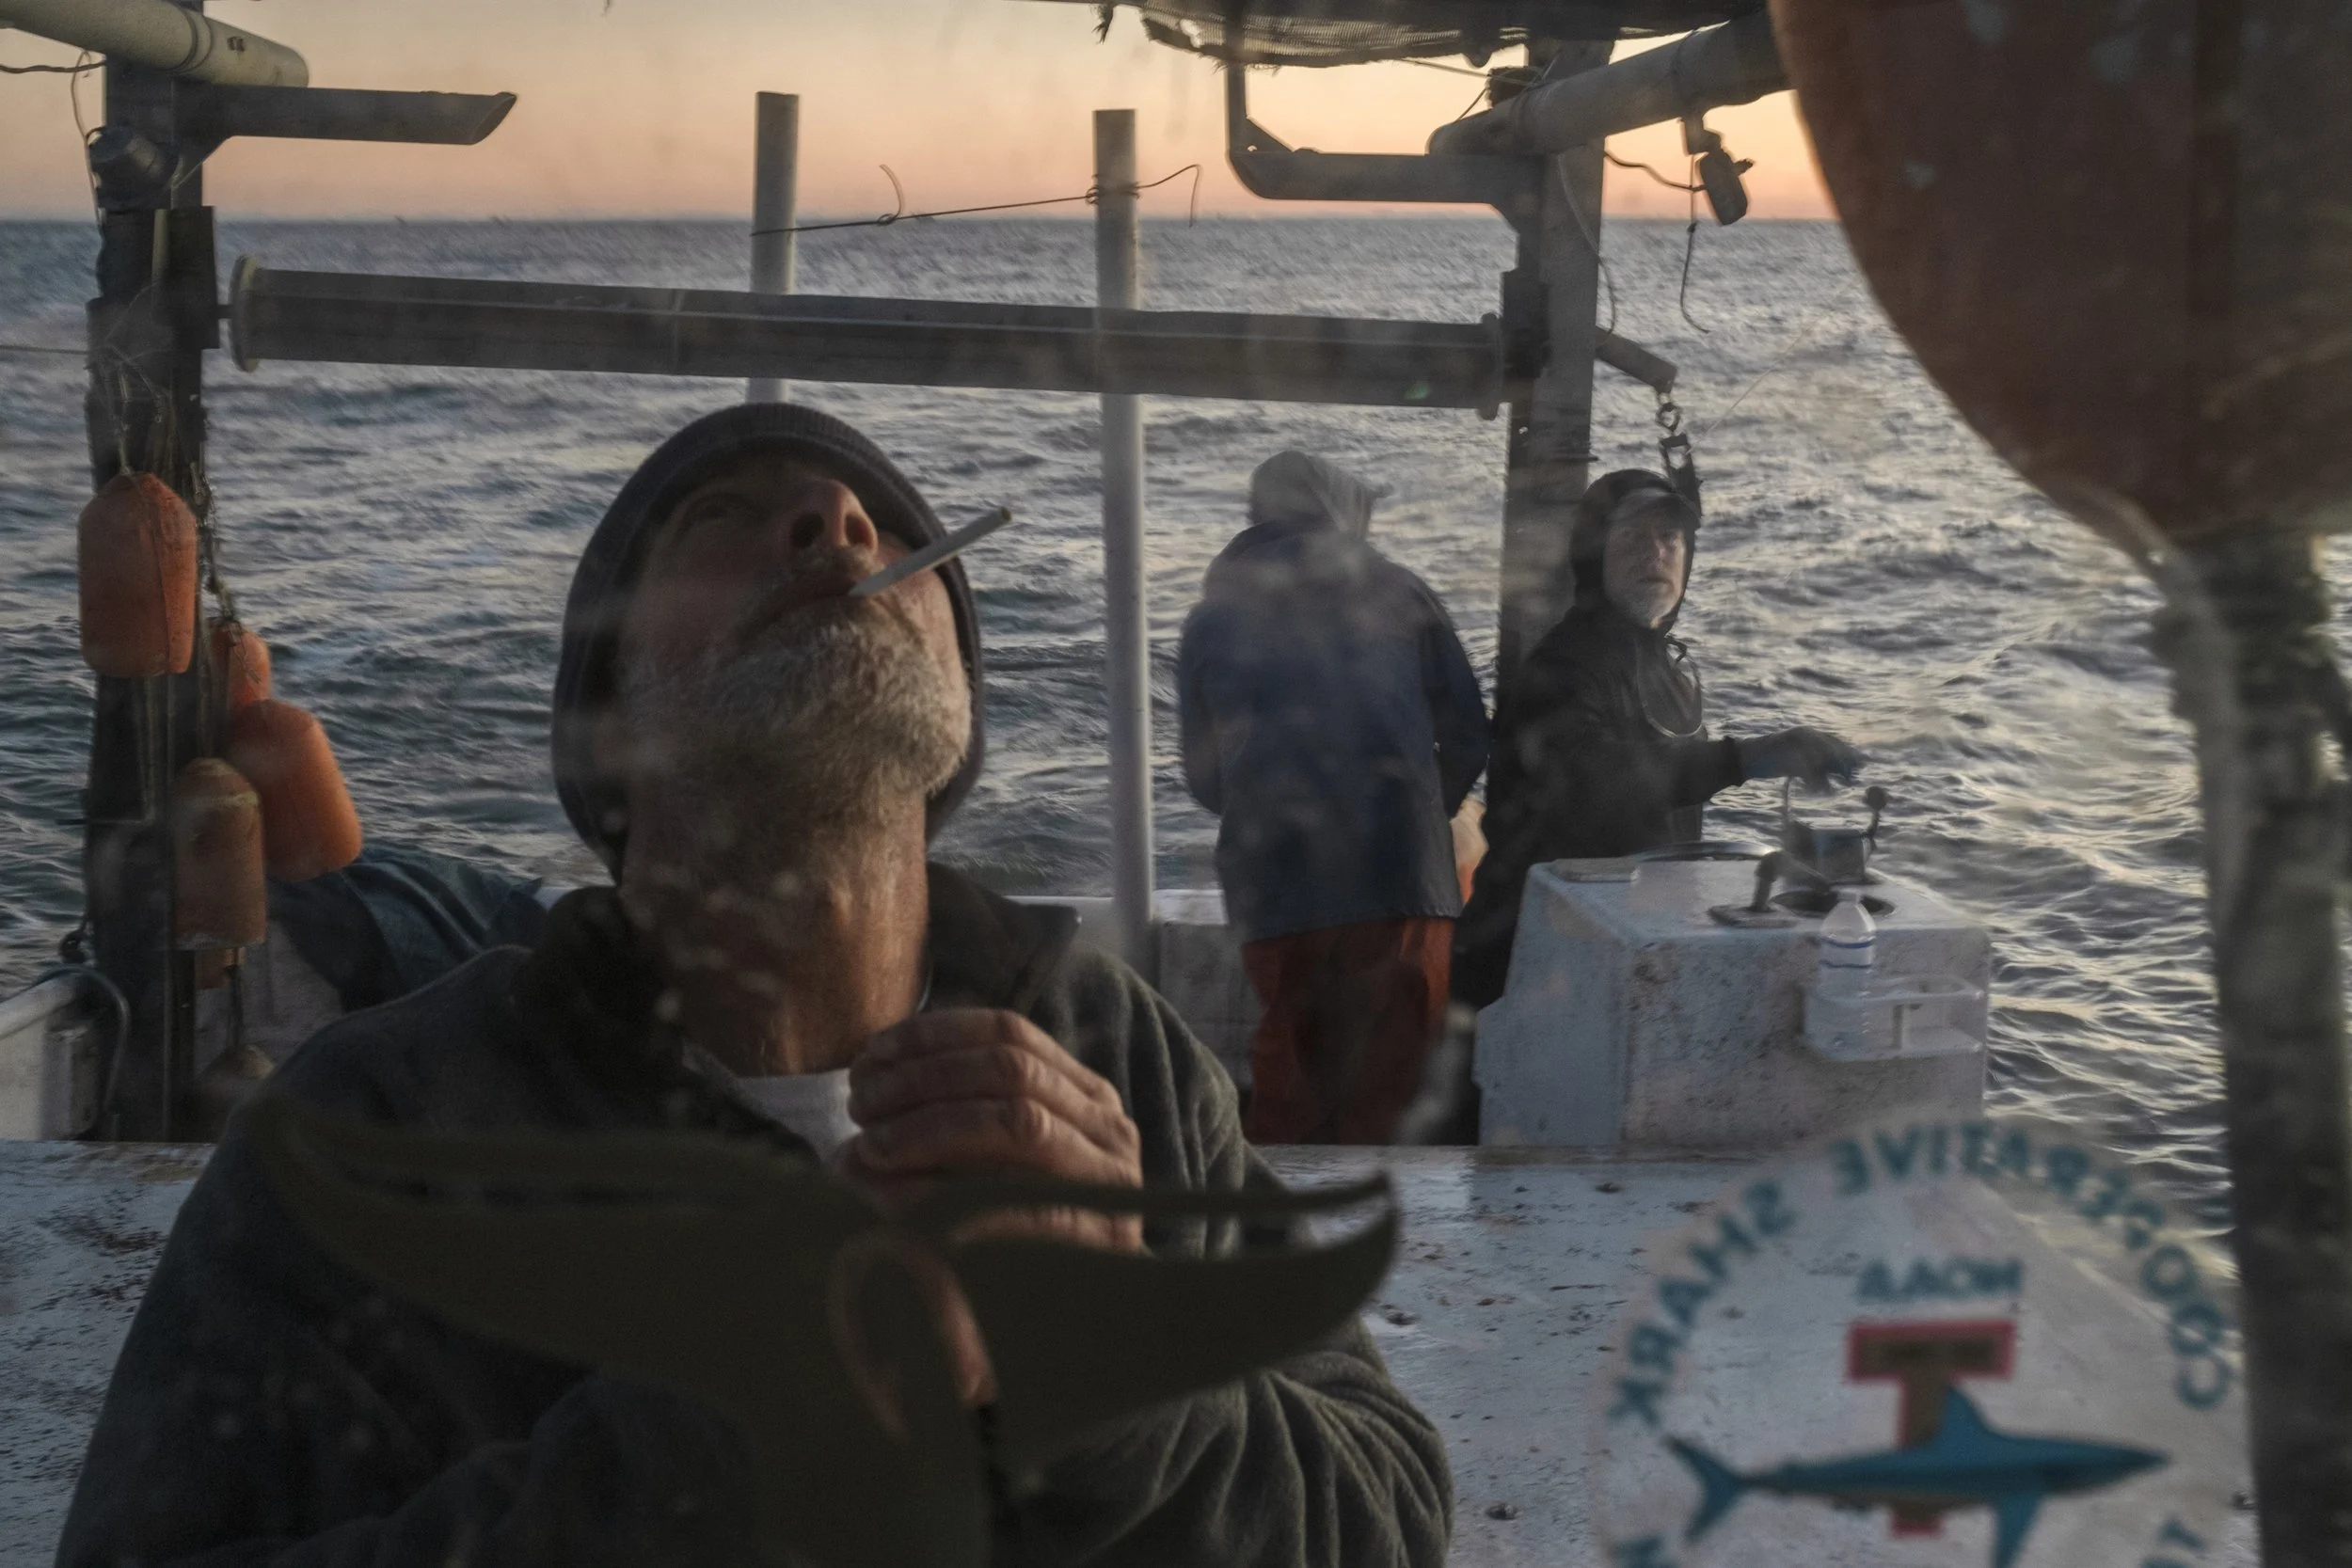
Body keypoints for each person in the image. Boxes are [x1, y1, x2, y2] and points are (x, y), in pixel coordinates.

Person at [58, 406, 1452, 1568]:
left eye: (884, 529)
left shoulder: (1110, 1049)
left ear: (960, 687)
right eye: (722, 518)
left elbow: (1386, 1508)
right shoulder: (380, 1121)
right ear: (602, 718)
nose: (837, 526)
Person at [1454, 470, 1862, 1010]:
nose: (1655, 553)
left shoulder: (1672, 671)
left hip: (1628, 940)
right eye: (1630, 537)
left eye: (1670, 538)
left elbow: (1670, 797)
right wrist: (1747, 757)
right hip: (1533, 960)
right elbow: (1601, 780)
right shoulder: (1560, 670)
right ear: (1590, 556)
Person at [1177, 451, 1488, 1146]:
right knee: (1396, 1091)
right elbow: (1469, 734)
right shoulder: (1403, 591)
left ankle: (1278, 1235)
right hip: (1403, 877)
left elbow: (1204, 780)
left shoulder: (1211, 617)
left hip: (1275, 883)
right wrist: (1419, 815)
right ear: (1343, 513)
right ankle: (1392, 1240)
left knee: (1292, 1076)